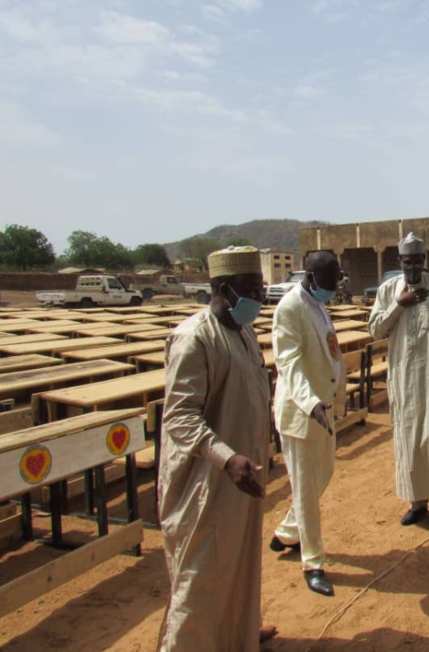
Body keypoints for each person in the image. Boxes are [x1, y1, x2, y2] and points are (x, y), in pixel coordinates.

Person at [158, 246, 274, 651]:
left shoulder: (243, 332)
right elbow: (179, 417)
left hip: (242, 477)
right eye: (253, 290)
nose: (260, 298)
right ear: (226, 289)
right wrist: (227, 458)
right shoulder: (193, 339)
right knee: (202, 575)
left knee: (238, 561)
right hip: (207, 481)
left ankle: (238, 631)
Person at [369, 233, 429, 526]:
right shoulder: (388, 291)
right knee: (407, 437)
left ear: (424, 261)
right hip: (404, 377)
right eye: (407, 262)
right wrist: (400, 304)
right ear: (399, 261)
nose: (412, 268)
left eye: (417, 262)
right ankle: (416, 502)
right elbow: (375, 329)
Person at [269, 251, 346, 597]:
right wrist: (311, 402)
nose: (333, 290)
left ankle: (286, 533)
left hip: (324, 408)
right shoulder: (290, 308)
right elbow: (289, 364)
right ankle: (312, 562)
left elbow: (331, 352)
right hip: (301, 413)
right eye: (329, 284)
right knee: (304, 490)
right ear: (311, 277)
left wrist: (333, 399)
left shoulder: (318, 305)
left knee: (323, 476)